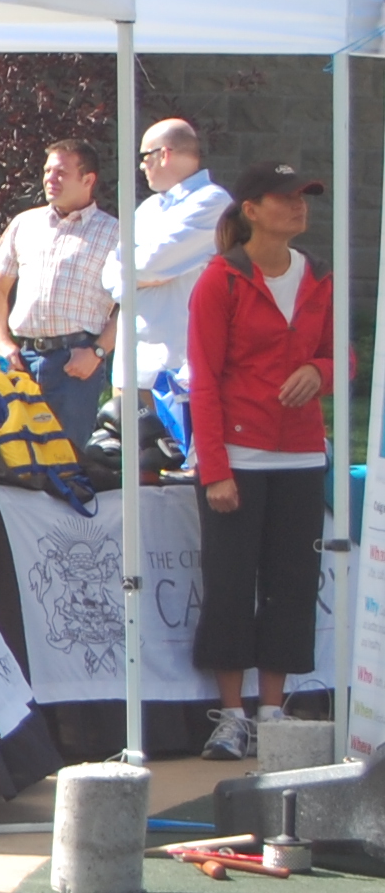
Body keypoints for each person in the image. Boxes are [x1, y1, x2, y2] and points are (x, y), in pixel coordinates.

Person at [187, 164, 337, 762]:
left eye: (304, 198)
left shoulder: (318, 275)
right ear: (251, 210)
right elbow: (203, 380)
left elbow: (342, 355)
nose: (299, 207)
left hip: (302, 455)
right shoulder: (220, 279)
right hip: (238, 457)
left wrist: (320, 371)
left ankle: (272, 713)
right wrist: (216, 469)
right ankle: (232, 716)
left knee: (292, 585)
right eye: (285, 198)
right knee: (229, 585)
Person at [0, 138, 122, 452]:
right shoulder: (25, 223)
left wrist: (97, 352)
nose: (50, 178)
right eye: (47, 171)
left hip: (75, 364)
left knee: (67, 458)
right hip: (20, 361)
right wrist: (2, 343)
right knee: (11, 455)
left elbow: (128, 305)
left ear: (87, 180)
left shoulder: (115, 233)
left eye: (61, 172)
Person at [106, 117, 230, 459]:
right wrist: (140, 273)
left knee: (183, 469)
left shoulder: (212, 202)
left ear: (165, 154)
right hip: (133, 365)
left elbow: (148, 263)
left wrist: (137, 272)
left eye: (144, 156)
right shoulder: (148, 208)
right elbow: (109, 274)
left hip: (178, 368)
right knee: (135, 470)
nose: (141, 166)